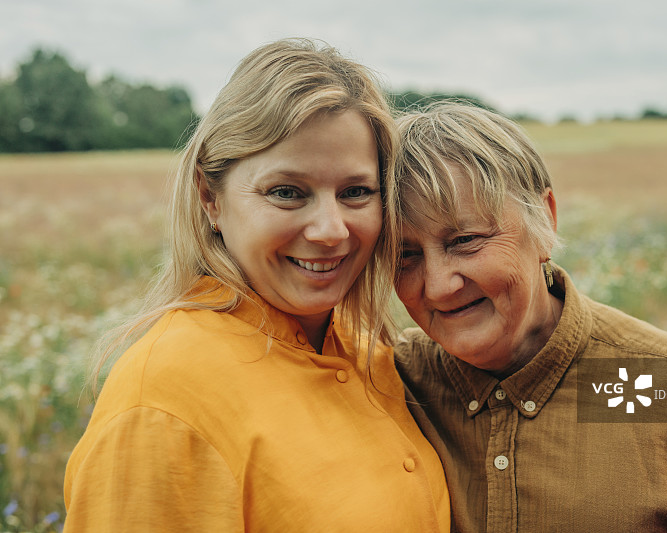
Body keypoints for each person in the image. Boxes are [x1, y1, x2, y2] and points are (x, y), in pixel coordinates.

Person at [62, 39, 450, 532]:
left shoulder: (364, 347)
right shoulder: (163, 402)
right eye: (286, 192)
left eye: (356, 192)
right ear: (211, 197)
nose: (331, 229)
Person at [392, 102, 667, 532]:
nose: (437, 285)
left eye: (465, 240)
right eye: (405, 255)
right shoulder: (386, 379)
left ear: (544, 221)